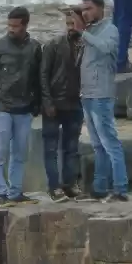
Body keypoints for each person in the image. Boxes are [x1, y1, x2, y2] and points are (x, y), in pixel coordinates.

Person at [0, 6, 42, 207]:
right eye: (9, 25)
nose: (11, 29)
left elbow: (38, 79)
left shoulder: (35, 48)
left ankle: (15, 192)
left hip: (24, 109)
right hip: (1, 107)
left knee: (20, 154)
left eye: (15, 26)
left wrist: (38, 104)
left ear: (25, 25)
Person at [72, 0, 129, 202]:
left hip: (101, 94)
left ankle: (120, 189)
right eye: (83, 9)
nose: (85, 13)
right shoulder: (89, 31)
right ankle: (99, 187)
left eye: (89, 9)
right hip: (86, 94)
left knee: (110, 142)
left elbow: (106, 48)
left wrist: (83, 33)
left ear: (100, 9)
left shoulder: (110, 29)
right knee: (97, 145)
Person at [39, 11, 84, 202]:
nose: (70, 27)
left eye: (74, 23)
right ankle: (54, 187)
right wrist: (47, 102)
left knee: (72, 148)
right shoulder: (53, 45)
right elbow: (43, 75)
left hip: (75, 104)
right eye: (68, 24)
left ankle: (69, 185)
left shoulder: (87, 46)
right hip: (54, 104)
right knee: (51, 148)